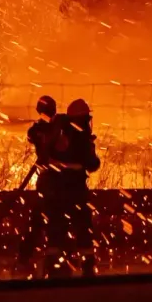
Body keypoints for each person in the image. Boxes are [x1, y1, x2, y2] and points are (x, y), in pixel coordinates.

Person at [43, 98, 101, 278]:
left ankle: (55, 265)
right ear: (82, 118)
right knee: (83, 226)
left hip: (55, 189)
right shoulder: (80, 136)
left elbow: (48, 155)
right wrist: (91, 149)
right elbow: (92, 164)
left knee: (56, 225)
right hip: (75, 190)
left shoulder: (59, 132)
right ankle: (87, 265)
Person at [18, 95, 59, 272]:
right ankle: (54, 255)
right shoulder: (58, 128)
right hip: (59, 181)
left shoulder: (37, 130)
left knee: (38, 218)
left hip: (47, 180)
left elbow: (32, 136)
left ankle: (26, 256)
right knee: (54, 218)